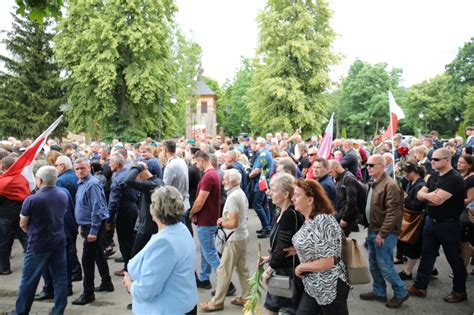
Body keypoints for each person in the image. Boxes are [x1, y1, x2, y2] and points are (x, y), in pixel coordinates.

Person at [123, 186, 198, 315]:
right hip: (183, 304)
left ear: (154, 211)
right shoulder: (181, 229)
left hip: (167, 309)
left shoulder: (164, 243)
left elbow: (146, 291)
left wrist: (130, 285)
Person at [408, 148, 467, 302]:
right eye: (431, 159)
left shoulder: (454, 178)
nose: (432, 162)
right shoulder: (434, 175)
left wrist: (426, 195)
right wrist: (428, 195)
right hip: (431, 221)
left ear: (447, 160)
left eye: (436, 159)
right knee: (426, 255)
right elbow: (421, 195)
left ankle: (460, 291)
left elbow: (437, 200)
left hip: (448, 224)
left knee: (454, 258)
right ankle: (420, 286)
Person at [15, 166, 69, 314]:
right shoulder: (63, 194)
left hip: (38, 243)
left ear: (39, 180)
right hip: (58, 240)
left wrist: (32, 232)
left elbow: (23, 224)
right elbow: (63, 213)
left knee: (29, 280)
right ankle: (58, 311)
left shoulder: (32, 199)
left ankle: (21, 311)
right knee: (60, 278)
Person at [291, 178, 350, 314]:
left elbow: (327, 262)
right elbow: (314, 245)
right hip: (313, 284)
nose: (293, 198)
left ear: (310, 200)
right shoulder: (310, 219)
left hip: (329, 286)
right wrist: (296, 250)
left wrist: (301, 267)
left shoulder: (323, 220)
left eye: (297, 195)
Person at [359, 154, 408, 308]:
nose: (368, 168)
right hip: (373, 230)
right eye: (367, 165)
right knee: (374, 264)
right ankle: (379, 291)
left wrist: (383, 233)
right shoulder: (375, 182)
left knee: (385, 265)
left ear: (382, 166)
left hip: (383, 233)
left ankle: (401, 292)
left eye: (372, 165)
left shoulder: (390, 185)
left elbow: (394, 212)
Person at [199, 169, 250, 312]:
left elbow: (233, 223)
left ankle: (217, 302)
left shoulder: (233, 196)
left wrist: (221, 222)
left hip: (234, 237)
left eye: (226, 179)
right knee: (242, 269)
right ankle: (247, 297)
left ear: (233, 181)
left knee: (223, 270)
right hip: (241, 236)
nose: (223, 182)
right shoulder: (239, 193)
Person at [260, 173, 304, 314]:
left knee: (277, 309)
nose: (270, 193)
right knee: (277, 308)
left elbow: (282, 248)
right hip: (285, 268)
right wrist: (270, 258)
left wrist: (269, 270)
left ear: (285, 194)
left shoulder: (289, 215)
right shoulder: (282, 212)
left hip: (287, 271)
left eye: (274, 190)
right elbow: (282, 246)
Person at [72, 158, 113, 305]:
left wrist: (94, 231)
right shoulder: (82, 183)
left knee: (87, 260)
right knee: (98, 255)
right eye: (77, 169)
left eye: (82, 168)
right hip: (87, 226)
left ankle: (88, 293)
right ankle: (107, 282)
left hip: (92, 226)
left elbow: (97, 209)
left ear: (89, 168)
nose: (79, 171)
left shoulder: (92, 184)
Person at [189, 150, 222, 290]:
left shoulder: (208, 176)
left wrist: (191, 213)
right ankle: (204, 278)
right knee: (206, 250)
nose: (197, 166)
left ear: (202, 160)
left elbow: (200, 201)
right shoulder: (214, 174)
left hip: (206, 220)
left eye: (197, 162)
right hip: (210, 218)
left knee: (209, 252)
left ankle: (226, 283)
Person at [106, 154, 139, 277]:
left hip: (124, 211)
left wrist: (109, 220)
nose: (109, 165)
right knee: (131, 239)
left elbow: (113, 201)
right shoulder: (129, 173)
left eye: (111, 162)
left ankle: (128, 268)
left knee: (125, 242)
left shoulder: (119, 178)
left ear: (118, 164)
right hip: (133, 208)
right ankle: (132, 266)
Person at [396, 161, 427, 280]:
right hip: (411, 218)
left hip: (415, 220)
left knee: (413, 246)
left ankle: (407, 272)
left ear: (414, 172)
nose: (405, 176)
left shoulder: (420, 185)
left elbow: (416, 206)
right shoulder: (411, 182)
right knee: (413, 246)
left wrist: (405, 197)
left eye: (406, 173)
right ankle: (430, 268)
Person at [0, 156, 27, 275]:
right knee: (25, 238)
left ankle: (4, 267)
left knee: (4, 242)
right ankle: (36, 261)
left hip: (5, 215)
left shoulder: (3, 181)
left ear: (2, 166)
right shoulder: (20, 178)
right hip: (20, 213)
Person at [249, 137, 274, 238]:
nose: (252, 145)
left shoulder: (263, 154)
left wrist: (249, 175)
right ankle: (267, 226)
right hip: (263, 182)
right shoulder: (266, 153)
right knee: (263, 205)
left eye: (254, 143)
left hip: (261, 183)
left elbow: (258, 170)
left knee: (257, 205)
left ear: (260, 144)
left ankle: (267, 227)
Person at [329, 160, 359, 236]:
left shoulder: (348, 178)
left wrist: (345, 218)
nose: (330, 175)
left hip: (344, 217)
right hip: (339, 214)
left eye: (331, 172)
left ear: (336, 167)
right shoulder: (339, 178)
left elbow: (351, 201)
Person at [458, 155, 474, 272]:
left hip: (467, 212)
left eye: (462, 163)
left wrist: (450, 198)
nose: (459, 164)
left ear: (470, 165)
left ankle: (462, 269)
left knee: (465, 242)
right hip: (458, 210)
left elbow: (470, 199)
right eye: (458, 162)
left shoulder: (472, 179)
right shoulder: (459, 176)